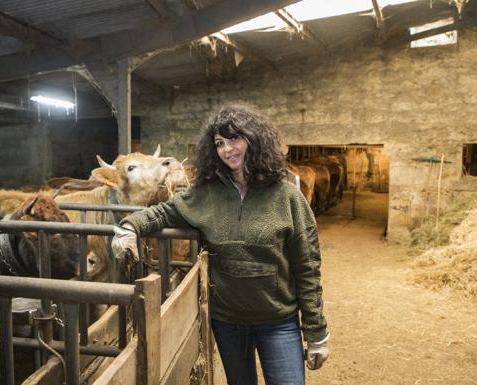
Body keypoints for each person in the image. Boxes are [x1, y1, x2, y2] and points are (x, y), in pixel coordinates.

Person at [111, 103, 329, 385]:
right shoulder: (206, 194)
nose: (228, 149)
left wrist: (316, 332)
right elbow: (164, 212)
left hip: (278, 321)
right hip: (228, 322)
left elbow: (307, 267)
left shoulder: (287, 197)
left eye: (235, 138)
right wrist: (128, 227)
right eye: (219, 143)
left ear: (255, 138)